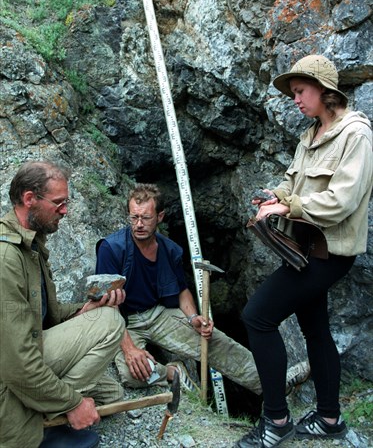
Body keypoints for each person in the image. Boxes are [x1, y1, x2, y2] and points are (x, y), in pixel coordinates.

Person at [234, 55, 373, 448]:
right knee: (315, 329)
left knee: (257, 316)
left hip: (328, 254)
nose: (294, 99)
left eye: (300, 91)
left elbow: (342, 201)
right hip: (306, 248)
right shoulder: (310, 135)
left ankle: (276, 420)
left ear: (324, 90)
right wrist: (274, 196)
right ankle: (330, 417)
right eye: (293, 93)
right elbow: (295, 185)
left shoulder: (356, 135)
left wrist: (289, 207)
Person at [95, 183, 310, 401]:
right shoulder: (112, 249)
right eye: (134, 217)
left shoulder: (169, 250)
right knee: (132, 375)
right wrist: (130, 349)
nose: (139, 224)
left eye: (146, 218)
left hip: (158, 314)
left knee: (214, 341)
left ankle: (275, 383)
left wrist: (193, 317)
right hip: (122, 322)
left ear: (160, 216)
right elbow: (107, 307)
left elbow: (180, 290)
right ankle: (171, 372)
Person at [0, 160, 126, 448]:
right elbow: (16, 364)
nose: (65, 211)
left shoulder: (30, 245)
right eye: (58, 203)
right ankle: (42, 413)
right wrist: (72, 404)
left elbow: (44, 316)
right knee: (110, 323)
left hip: (26, 359)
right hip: (9, 379)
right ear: (29, 199)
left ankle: (46, 404)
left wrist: (86, 309)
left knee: (112, 394)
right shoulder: (7, 259)